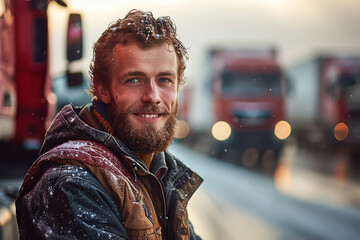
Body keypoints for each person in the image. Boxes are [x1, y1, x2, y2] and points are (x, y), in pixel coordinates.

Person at [16, 9, 203, 240]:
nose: (153, 96)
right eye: (134, 79)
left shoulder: (156, 170)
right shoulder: (72, 183)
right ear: (103, 88)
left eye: (165, 80)